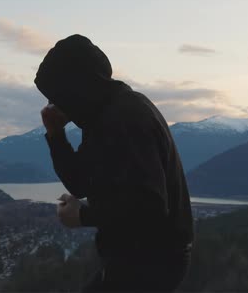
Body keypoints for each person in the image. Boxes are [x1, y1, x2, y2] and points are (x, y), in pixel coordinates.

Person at [34, 34, 194, 292]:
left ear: (77, 88)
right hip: (140, 259)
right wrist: (56, 135)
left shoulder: (124, 118)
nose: (52, 104)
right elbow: (81, 182)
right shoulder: (102, 115)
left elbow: (150, 207)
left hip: (151, 263)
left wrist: (83, 215)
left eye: (56, 96)